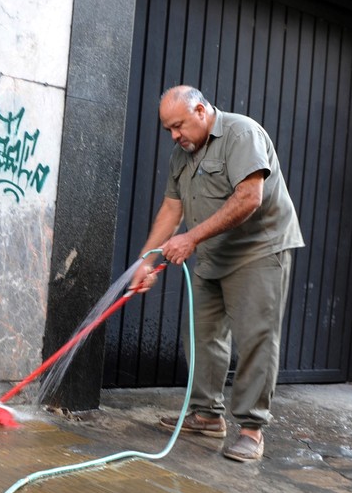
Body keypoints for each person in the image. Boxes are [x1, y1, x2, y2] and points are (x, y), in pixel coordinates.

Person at [130, 85, 304, 462]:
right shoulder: (182, 154)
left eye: (178, 126)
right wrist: (146, 262)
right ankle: (207, 414)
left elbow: (249, 197)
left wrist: (191, 238)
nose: (174, 136)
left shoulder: (241, 134)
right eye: (168, 129)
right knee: (201, 332)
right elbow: (171, 209)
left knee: (256, 338)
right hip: (213, 252)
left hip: (258, 250)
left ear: (200, 110)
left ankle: (252, 430)